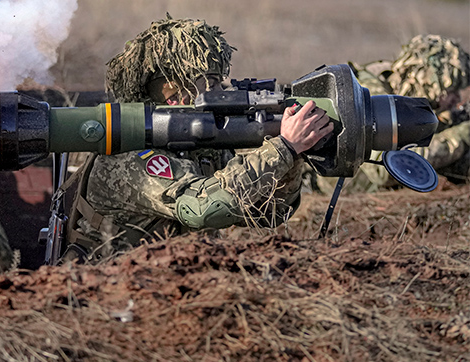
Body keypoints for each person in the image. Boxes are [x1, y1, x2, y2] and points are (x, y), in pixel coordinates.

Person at [61, 16, 334, 261]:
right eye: (210, 83)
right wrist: (283, 148)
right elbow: (203, 209)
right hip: (103, 292)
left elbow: (267, 214)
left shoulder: (199, 148)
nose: (220, 91)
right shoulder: (130, 156)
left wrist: (293, 156)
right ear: (174, 94)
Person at [321, 34, 469, 192]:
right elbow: (385, 169)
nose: (457, 98)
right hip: (335, 193)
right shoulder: (367, 96)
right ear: (429, 84)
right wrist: (459, 137)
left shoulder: (404, 89)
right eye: (451, 91)